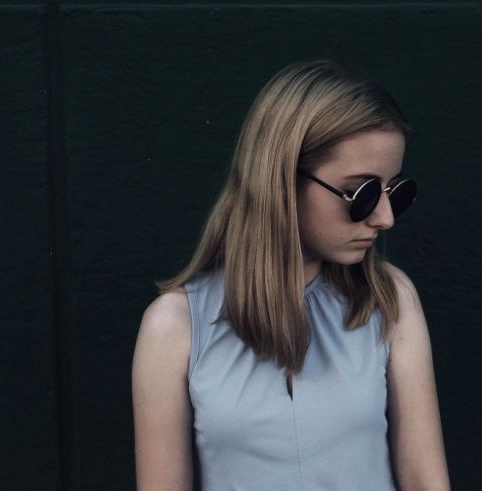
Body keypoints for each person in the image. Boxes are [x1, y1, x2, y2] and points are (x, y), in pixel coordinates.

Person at [132, 59, 451, 491]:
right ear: (280, 180)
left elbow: (424, 479)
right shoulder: (174, 327)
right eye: (362, 193)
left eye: (395, 191)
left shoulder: (389, 299)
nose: (385, 218)